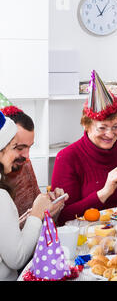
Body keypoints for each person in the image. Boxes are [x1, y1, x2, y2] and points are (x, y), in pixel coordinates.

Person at [52, 70, 117, 225]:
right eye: (102, 128)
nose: (110, 135)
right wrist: (105, 192)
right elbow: (62, 217)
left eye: (116, 127)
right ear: (86, 125)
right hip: (86, 237)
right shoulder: (67, 157)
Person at [0, 111, 66, 281]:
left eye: (29, 147)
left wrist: (45, 211)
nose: (26, 156)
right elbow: (17, 257)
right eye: (17, 147)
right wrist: (37, 214)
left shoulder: (25, 167)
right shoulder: (1, 196)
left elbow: (13, 232)